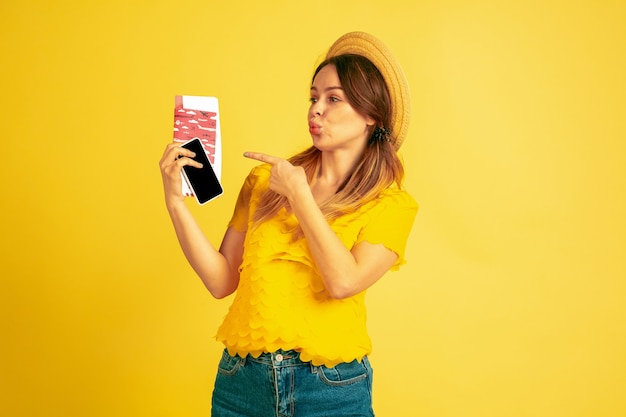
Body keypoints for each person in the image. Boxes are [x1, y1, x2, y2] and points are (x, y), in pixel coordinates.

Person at [159, 32, 418, 417]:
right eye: (314, 97)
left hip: (331, 389)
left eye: (333, 99)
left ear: (371, 115)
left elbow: (343, 282)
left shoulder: (392, 206)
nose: (316, 109)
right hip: (241, 385)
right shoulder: (264, 182)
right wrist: (174, 202)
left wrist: (300, 196)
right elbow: (220, 281)